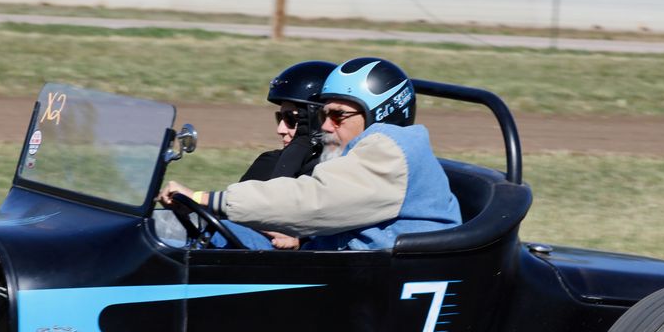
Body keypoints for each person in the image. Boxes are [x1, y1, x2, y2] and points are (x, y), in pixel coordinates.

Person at [158, 57, 462, 250]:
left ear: (378, 116)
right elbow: (340, 212)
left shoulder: (391, 148)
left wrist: (207, 199)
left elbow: (315, 200)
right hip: (349, 275)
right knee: (182, 238)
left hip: (382, 291)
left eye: (338, 116)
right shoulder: (362, 159)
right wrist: (302, 238)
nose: (326, 126)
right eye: (322, 115)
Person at [239, 60, 338, 182]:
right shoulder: (268, 165)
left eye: (290, 118)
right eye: (280, 117)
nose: (280, 130)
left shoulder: (341, 172)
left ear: (318, 120)